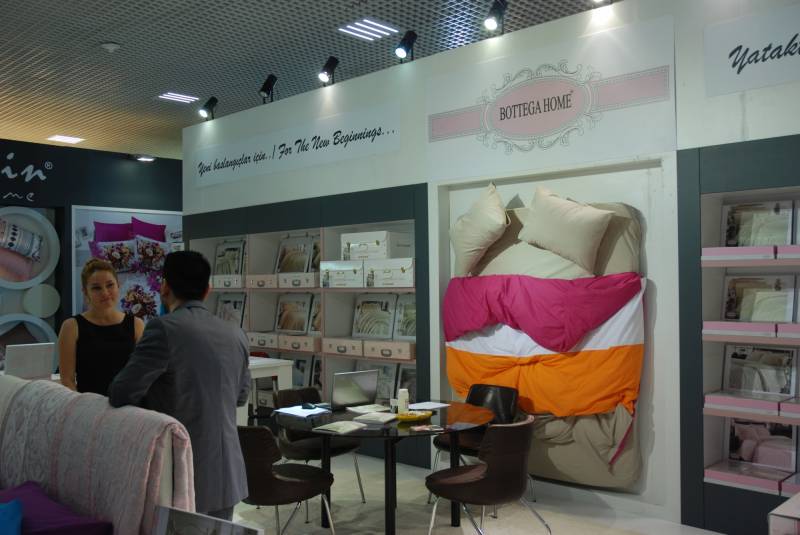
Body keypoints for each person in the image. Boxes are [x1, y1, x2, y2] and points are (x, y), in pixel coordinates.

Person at [108, 251, 250, 520]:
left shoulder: (163, 329)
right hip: (227, 470)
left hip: (180, 470)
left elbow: (121, 392)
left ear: (164, 287)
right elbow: (241, 396)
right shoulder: (236, 333)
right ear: (207, 290)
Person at [58, 258, 145, 394]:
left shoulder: (137, 325)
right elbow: (67, 380)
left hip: (128, 404)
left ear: (118, 286)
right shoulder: (71, 327)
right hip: (88, 404)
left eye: (110, 285)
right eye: (96, 288)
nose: (105, 293)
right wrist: (84, 405)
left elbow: (143, 375)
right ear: (85, 292)